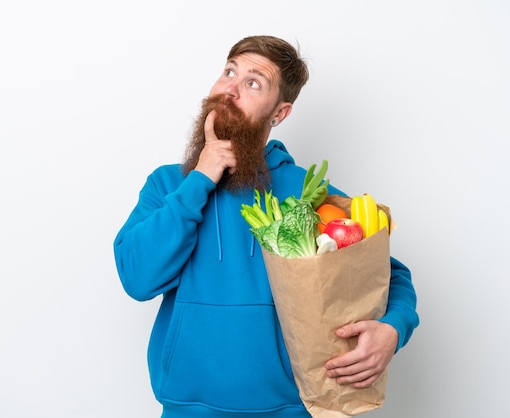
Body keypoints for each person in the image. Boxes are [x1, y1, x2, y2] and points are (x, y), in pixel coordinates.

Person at [113, 35, 419, 418]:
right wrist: (201, 179)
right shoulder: (168, 186)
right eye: (229, 72)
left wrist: (393, 328)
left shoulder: (308, 194)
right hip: (186, 409)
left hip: (291, 409)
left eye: (253, 83)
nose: (230, 89)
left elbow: (387, 272)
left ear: (280, 113)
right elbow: (136, 278)